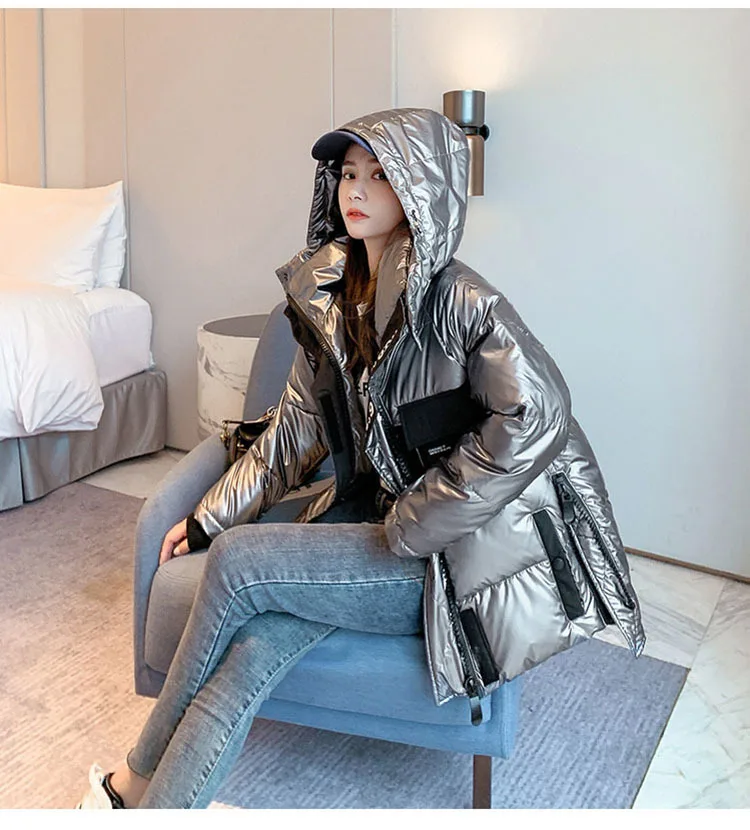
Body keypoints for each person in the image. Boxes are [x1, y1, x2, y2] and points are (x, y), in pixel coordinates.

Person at [77, 107, 645, 809]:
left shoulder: (461, 300)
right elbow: (295, 427)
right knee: (251, 649)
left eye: (380, 176)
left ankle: (131, 778)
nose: (357, 190)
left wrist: (422, 518)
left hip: (441, 559)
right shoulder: (334, 298)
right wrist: (206, 518)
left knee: (240, 562)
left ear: (421, 191)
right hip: (376, 532)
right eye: (349, 173)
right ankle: (136, 799)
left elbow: (538, 411)